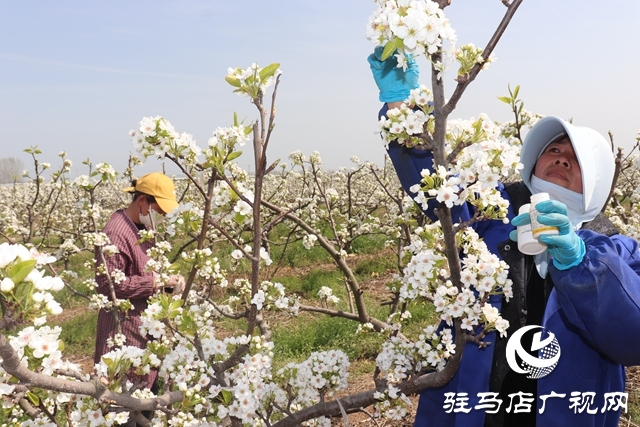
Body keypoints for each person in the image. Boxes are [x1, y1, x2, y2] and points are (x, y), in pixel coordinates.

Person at [368, 48, 640, 427]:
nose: (561, 158)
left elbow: (631, 338)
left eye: (576, 158)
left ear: (597, 181)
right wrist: (405, 108)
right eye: (554, 149)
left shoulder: (615, 247)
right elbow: (439, 187)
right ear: (533, 162)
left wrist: (582, 264)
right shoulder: (490, 209)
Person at [94, 172, 183, 391]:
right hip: (123, 331)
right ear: (142, 201)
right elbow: (107, 284)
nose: (162, 216)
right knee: (123, 396)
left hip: (145, 330)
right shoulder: (116, 233)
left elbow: (146, 271)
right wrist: (154, 283)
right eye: (160, 210)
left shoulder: (145, 229)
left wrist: (168, 284)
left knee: (145, 394)